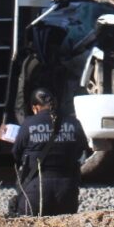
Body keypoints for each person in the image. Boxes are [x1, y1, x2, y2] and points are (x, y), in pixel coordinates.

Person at [11, 87, 89, 216]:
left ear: (35, 108)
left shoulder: (29, 124)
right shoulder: (73, 122)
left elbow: (16, 154)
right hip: (67, 193)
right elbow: (81, 151)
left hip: (35, 193)